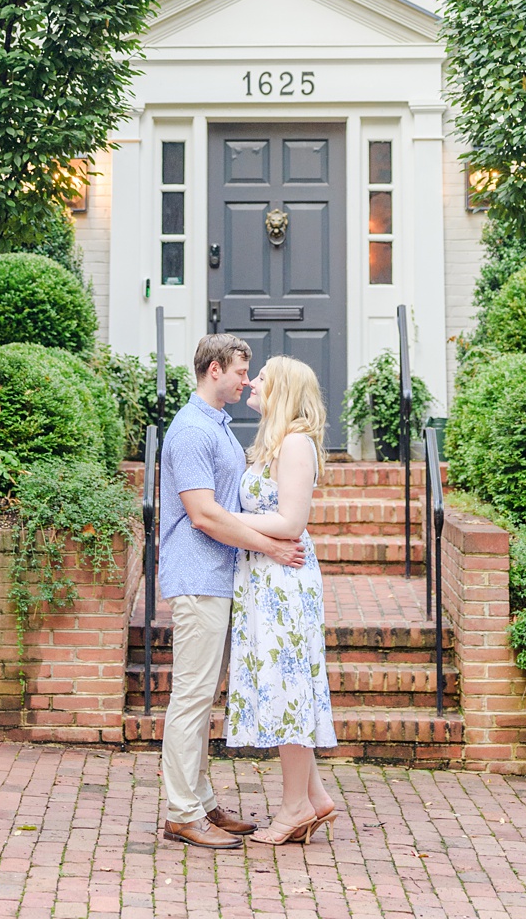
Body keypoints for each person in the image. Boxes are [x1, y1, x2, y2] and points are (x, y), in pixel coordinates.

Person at [157, 332, 306, 850]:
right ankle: (182, 812)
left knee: (203, 698)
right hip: (199, 577)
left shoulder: (218, 425)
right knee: (191, 697)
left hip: (223, 578)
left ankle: (201, 801)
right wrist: (269, 546)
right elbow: (202, 515)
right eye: (242, 371)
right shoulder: (191, 431)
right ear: (215, 369)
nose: (248, 380)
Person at [227, 354, 338, 844]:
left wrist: (226, 522)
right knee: (283, 682)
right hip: (264, 578)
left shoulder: (294, 444)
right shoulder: (274, 441)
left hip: (283, 582)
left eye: (262, 378)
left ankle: (293, 809)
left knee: (288, 687)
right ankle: (314, 799)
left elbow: (292, 523)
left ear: (283, 391)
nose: (252, 382)